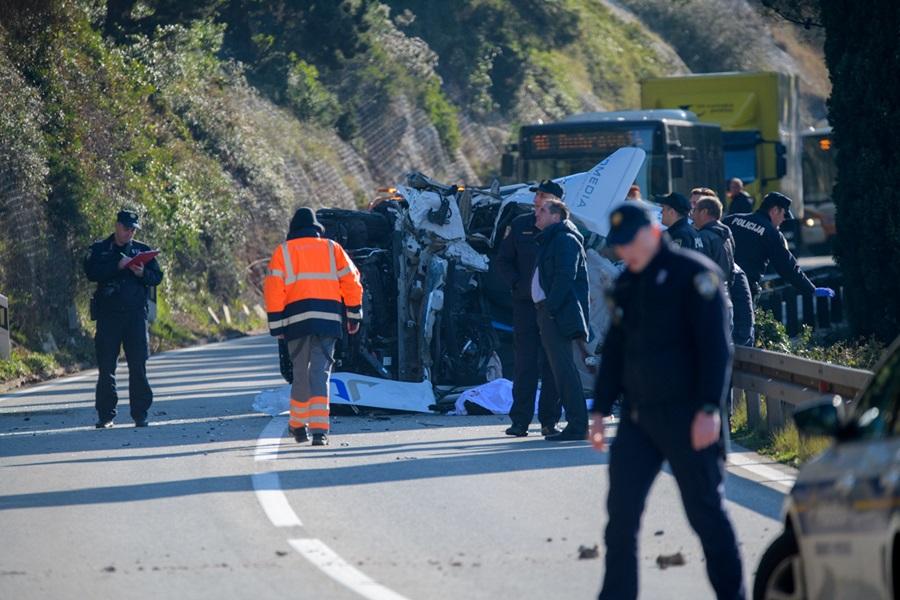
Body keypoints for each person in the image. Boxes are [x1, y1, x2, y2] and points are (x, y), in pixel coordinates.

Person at [590, 203, 744, 600]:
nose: (624, 253)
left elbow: (716, 349)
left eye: (630, 243)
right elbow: (615, 351)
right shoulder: (626, 285)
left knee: (706, 515)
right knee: (620, 518)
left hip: (689, 417)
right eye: (619, 246)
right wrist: (599, 408)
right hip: (639, 420)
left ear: (653, 234)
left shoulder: (694, 276)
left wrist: (711, 407)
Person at [264, 207, 363, 446]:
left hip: (296, 323)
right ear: (316, 227)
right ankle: (320, 431)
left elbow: (274, 290)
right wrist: (354, 314)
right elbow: (352, 281)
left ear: (293, 229)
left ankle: (298, 427)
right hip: (328, 321)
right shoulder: (332, 248)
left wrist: (277, 326)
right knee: (320, 374)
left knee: (300, 374)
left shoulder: (283, 252)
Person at [84, 209, 163, 428]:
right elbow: (90, 272)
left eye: (133, 230)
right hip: (108, 316)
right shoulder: (100, 249)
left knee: (138, 366)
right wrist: (116, 267)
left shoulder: (142, 250)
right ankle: (106, 415)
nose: (129, 233)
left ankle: (140, 414)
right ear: (117, 226)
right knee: (106, 367)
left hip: (135, 316)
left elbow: (157, 277)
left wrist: (141, 274)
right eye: (126, 228)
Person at [495, 179, 561, 438]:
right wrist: (517, 285)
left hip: (551, 307)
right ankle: (520, 421)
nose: (536, 200)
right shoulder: (521, 225)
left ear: (555, 201)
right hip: (524, 306)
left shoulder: (563, 229)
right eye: (537, 196)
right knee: (524, 365)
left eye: (542, 196)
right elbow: (503, 260)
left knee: (552, 365)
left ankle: (549, 421)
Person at [532, 198, 590, 441]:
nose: (537, 213)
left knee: (565, 370)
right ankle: (574, 424)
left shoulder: (564, 240)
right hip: (549, 311)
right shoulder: (553, 239)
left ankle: (577, 426)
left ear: (557, 216)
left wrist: (551, 308)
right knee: (559, 370)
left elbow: (565, 276)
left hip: (556, 312)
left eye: (542, 210)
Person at [723, 192, 834, 300]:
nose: (784, 219)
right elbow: (787, 266)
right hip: (743, 288)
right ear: (775, 210)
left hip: (720, 284)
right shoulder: (771, 233)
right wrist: (810, 289)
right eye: (783, 214)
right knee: (743, 319)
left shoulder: (732, 219)